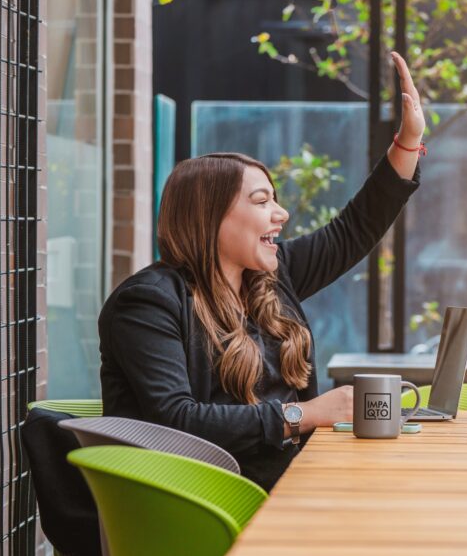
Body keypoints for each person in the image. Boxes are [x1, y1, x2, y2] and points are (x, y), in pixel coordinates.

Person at [99, 53, 426, 491]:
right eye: (261, 202)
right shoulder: (147, 304)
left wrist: (409, 141)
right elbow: (175, 421)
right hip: (215, 501)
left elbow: (355, 230)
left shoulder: (270, 278)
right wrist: (306, 415)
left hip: (290, 482)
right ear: (209, 218)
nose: (282, 214)